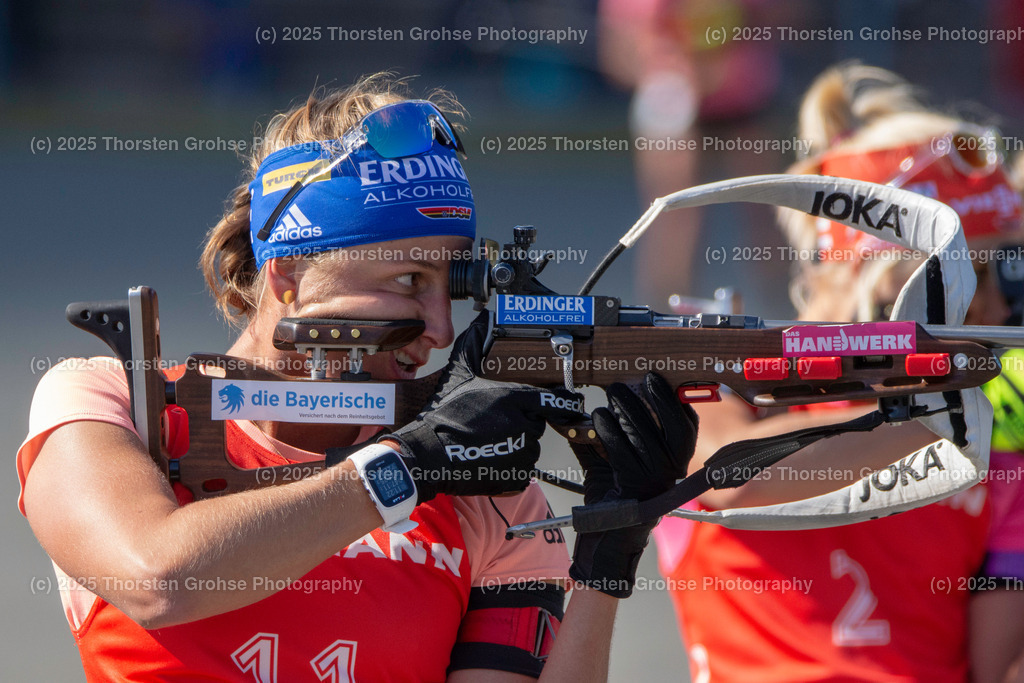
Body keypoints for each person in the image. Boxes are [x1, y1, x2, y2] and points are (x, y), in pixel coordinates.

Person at [17, 75, 697, 681]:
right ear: (288, 276)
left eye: (451, 284)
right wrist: (410, 464)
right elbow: (158, 576)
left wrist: (609, 554)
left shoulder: (490, 496)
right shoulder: (118, 402)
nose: (438, 327)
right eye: (408, 280)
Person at [653, 62, 1024, 682]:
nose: (990, 311)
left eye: (1006, 274)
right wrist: (951, 418)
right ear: (877, 282)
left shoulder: (1002, 450)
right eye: (962, 279)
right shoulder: (719, 391)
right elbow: (731, 477)